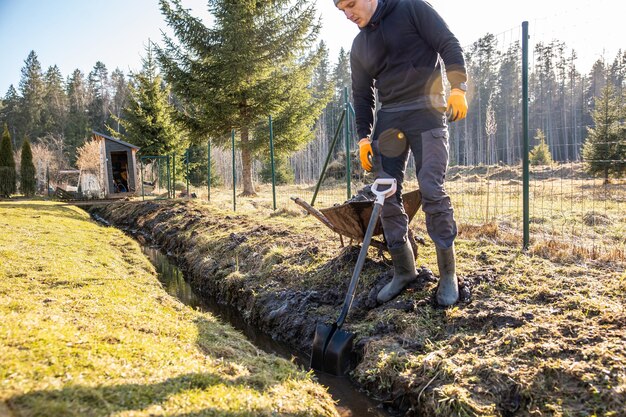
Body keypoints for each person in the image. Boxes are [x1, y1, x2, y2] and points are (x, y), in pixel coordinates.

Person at [333, 0, 468, 306]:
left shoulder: (410, 8)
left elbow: (448, 42)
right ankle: (404, 270)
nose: (348, 14)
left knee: (432, 189)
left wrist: (458, 87)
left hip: (427, 110)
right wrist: (364, 137)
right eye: (341, 10)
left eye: (351, 5)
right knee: (386, 195)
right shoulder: (359, 44)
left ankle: (448, 275)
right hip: (390, 118)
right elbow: (362, 93)